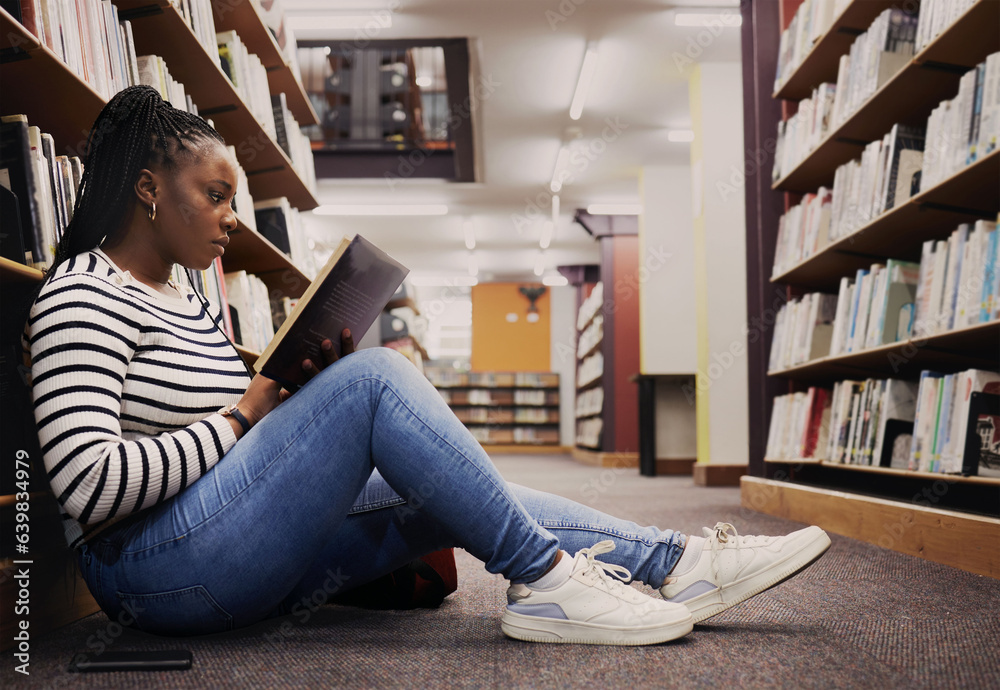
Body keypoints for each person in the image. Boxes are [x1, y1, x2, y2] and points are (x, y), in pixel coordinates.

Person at [25, 86, 830, 647]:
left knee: (444, 482)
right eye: (215, 194)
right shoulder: (81, 295)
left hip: (220, 538)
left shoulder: (192, 298)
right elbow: (87, 486)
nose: (232, 218)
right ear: (147, 191)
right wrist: (245, 415)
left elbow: (221, 444)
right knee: (376, 381)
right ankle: (549, 583)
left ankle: (679, 565)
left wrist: (285, 401)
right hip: (154, 575)